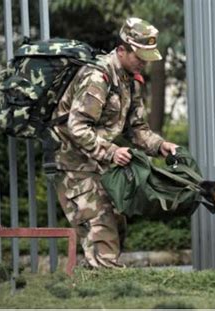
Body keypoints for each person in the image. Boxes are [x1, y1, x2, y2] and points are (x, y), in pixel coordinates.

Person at [51, 17, 178, 268]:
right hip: (73, 162)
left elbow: (137, 128)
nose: (144, 63)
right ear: (122, 50)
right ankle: (107, 298)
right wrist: (111, 152)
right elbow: (77, 127)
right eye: (139, 56)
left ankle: (91, 288)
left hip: (98, 162)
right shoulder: (97, 77)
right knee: (102, 233)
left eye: (147, 57)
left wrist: (160, 146)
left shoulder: (130, 79)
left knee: (116, 226)